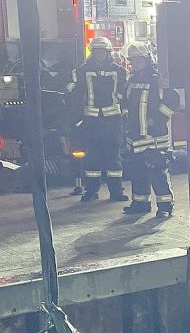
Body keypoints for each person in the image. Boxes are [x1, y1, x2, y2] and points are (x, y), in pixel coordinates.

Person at [120, 42, 180, 218]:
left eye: (138, 59)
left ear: (146, 59)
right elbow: (126, 103)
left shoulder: (157, 79)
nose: (135, 63)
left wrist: (158, 119)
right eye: (133, 60)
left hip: (154, 137)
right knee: (137, 171)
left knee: (157, 171)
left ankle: (165, 206)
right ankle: (141, 203)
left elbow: (173, 100)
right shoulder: (131, 81)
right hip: (135, 137)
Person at [66, 37, 128, 202]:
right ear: (92, 53)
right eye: (97, 51)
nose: (100, 54)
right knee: (91, 158)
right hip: (91, 122)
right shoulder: (81, 71)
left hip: (113, 121)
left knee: (114, 158)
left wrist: (124, 110)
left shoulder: (120, 71)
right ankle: (91, 190)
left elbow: (127, 93)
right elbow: (72, 94)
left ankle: (116, 191)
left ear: (108, 53)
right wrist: (76, 118)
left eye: (103, 51)